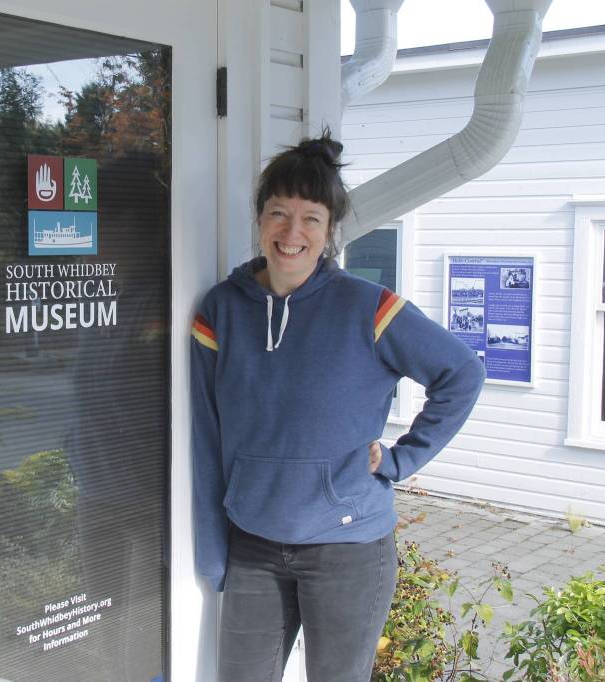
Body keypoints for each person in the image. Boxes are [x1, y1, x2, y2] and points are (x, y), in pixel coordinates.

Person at [190, 129, 486, 682]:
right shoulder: (222, 310)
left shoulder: (367, 307)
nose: (292, 232)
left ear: (329, 231)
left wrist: (402, 460)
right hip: (253, 543)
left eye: (311, 218)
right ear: (259, 219)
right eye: (279, 213)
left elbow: (462, 372)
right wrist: (212, 545)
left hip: (347, 548)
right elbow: (206, 435)